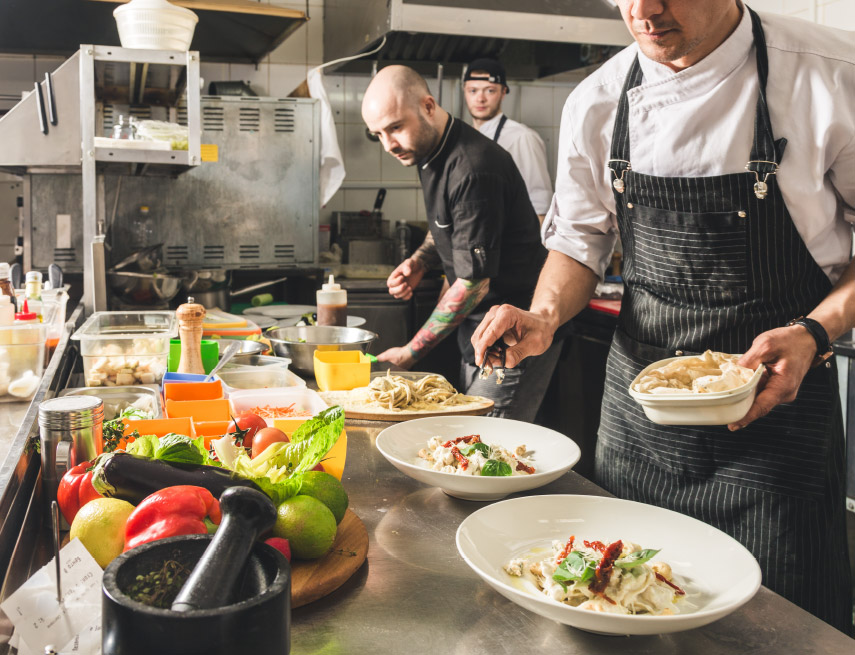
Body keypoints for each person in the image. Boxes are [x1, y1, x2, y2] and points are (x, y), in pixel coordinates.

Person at [471, 0, 854, 633]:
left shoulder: (825, 75)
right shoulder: (596, 101)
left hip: (776, 420)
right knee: (620, 609)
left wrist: (816, 332)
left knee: (778, 630)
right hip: (639, 425)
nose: (643, 11)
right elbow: (580, 240)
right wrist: (543, 315)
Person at [361, 65, 560, 421]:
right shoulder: (427, 152)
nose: (388, 145)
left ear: (428, 105)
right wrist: (421, 261)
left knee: (486, 450)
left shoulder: (473, 168)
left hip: (512, 337)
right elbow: (446, 224)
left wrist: (410, 352)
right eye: (377, 134)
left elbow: (472, 284)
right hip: (476, 333)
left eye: (395, 128)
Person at [463, 58, 553, 222]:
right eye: (473, 91)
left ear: (503, 92)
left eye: (489, 90)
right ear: (465, 92)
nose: (480, 98)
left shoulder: (522, 137)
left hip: (510, 242)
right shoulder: (463, 139)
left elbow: (540, 205)